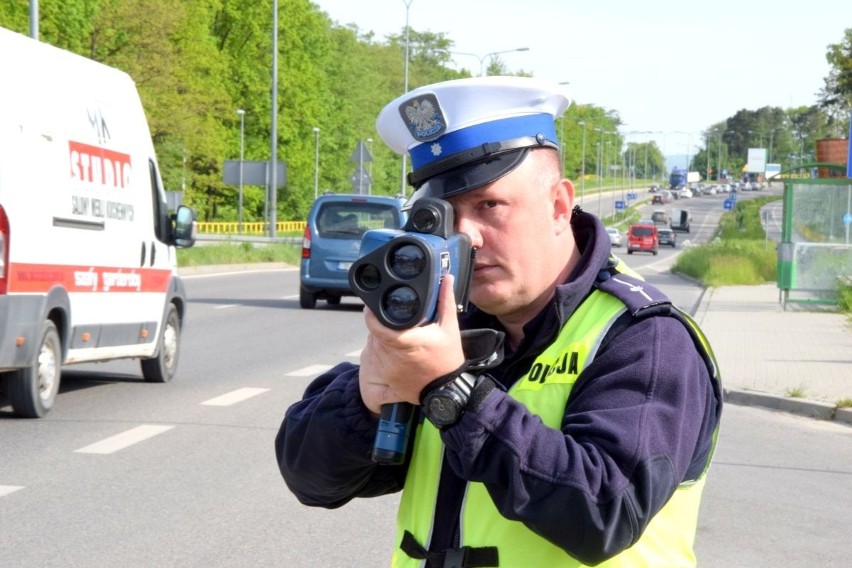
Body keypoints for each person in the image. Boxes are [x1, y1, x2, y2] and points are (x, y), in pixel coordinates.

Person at [276, 76, 722, 567]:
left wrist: (453, 393)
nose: (467, 236)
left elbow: (604, 512)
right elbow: (310, 478)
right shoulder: (445, 324)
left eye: (489, 205)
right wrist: (368, 399)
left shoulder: (644, 336)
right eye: (445, 214)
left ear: (558, 204)